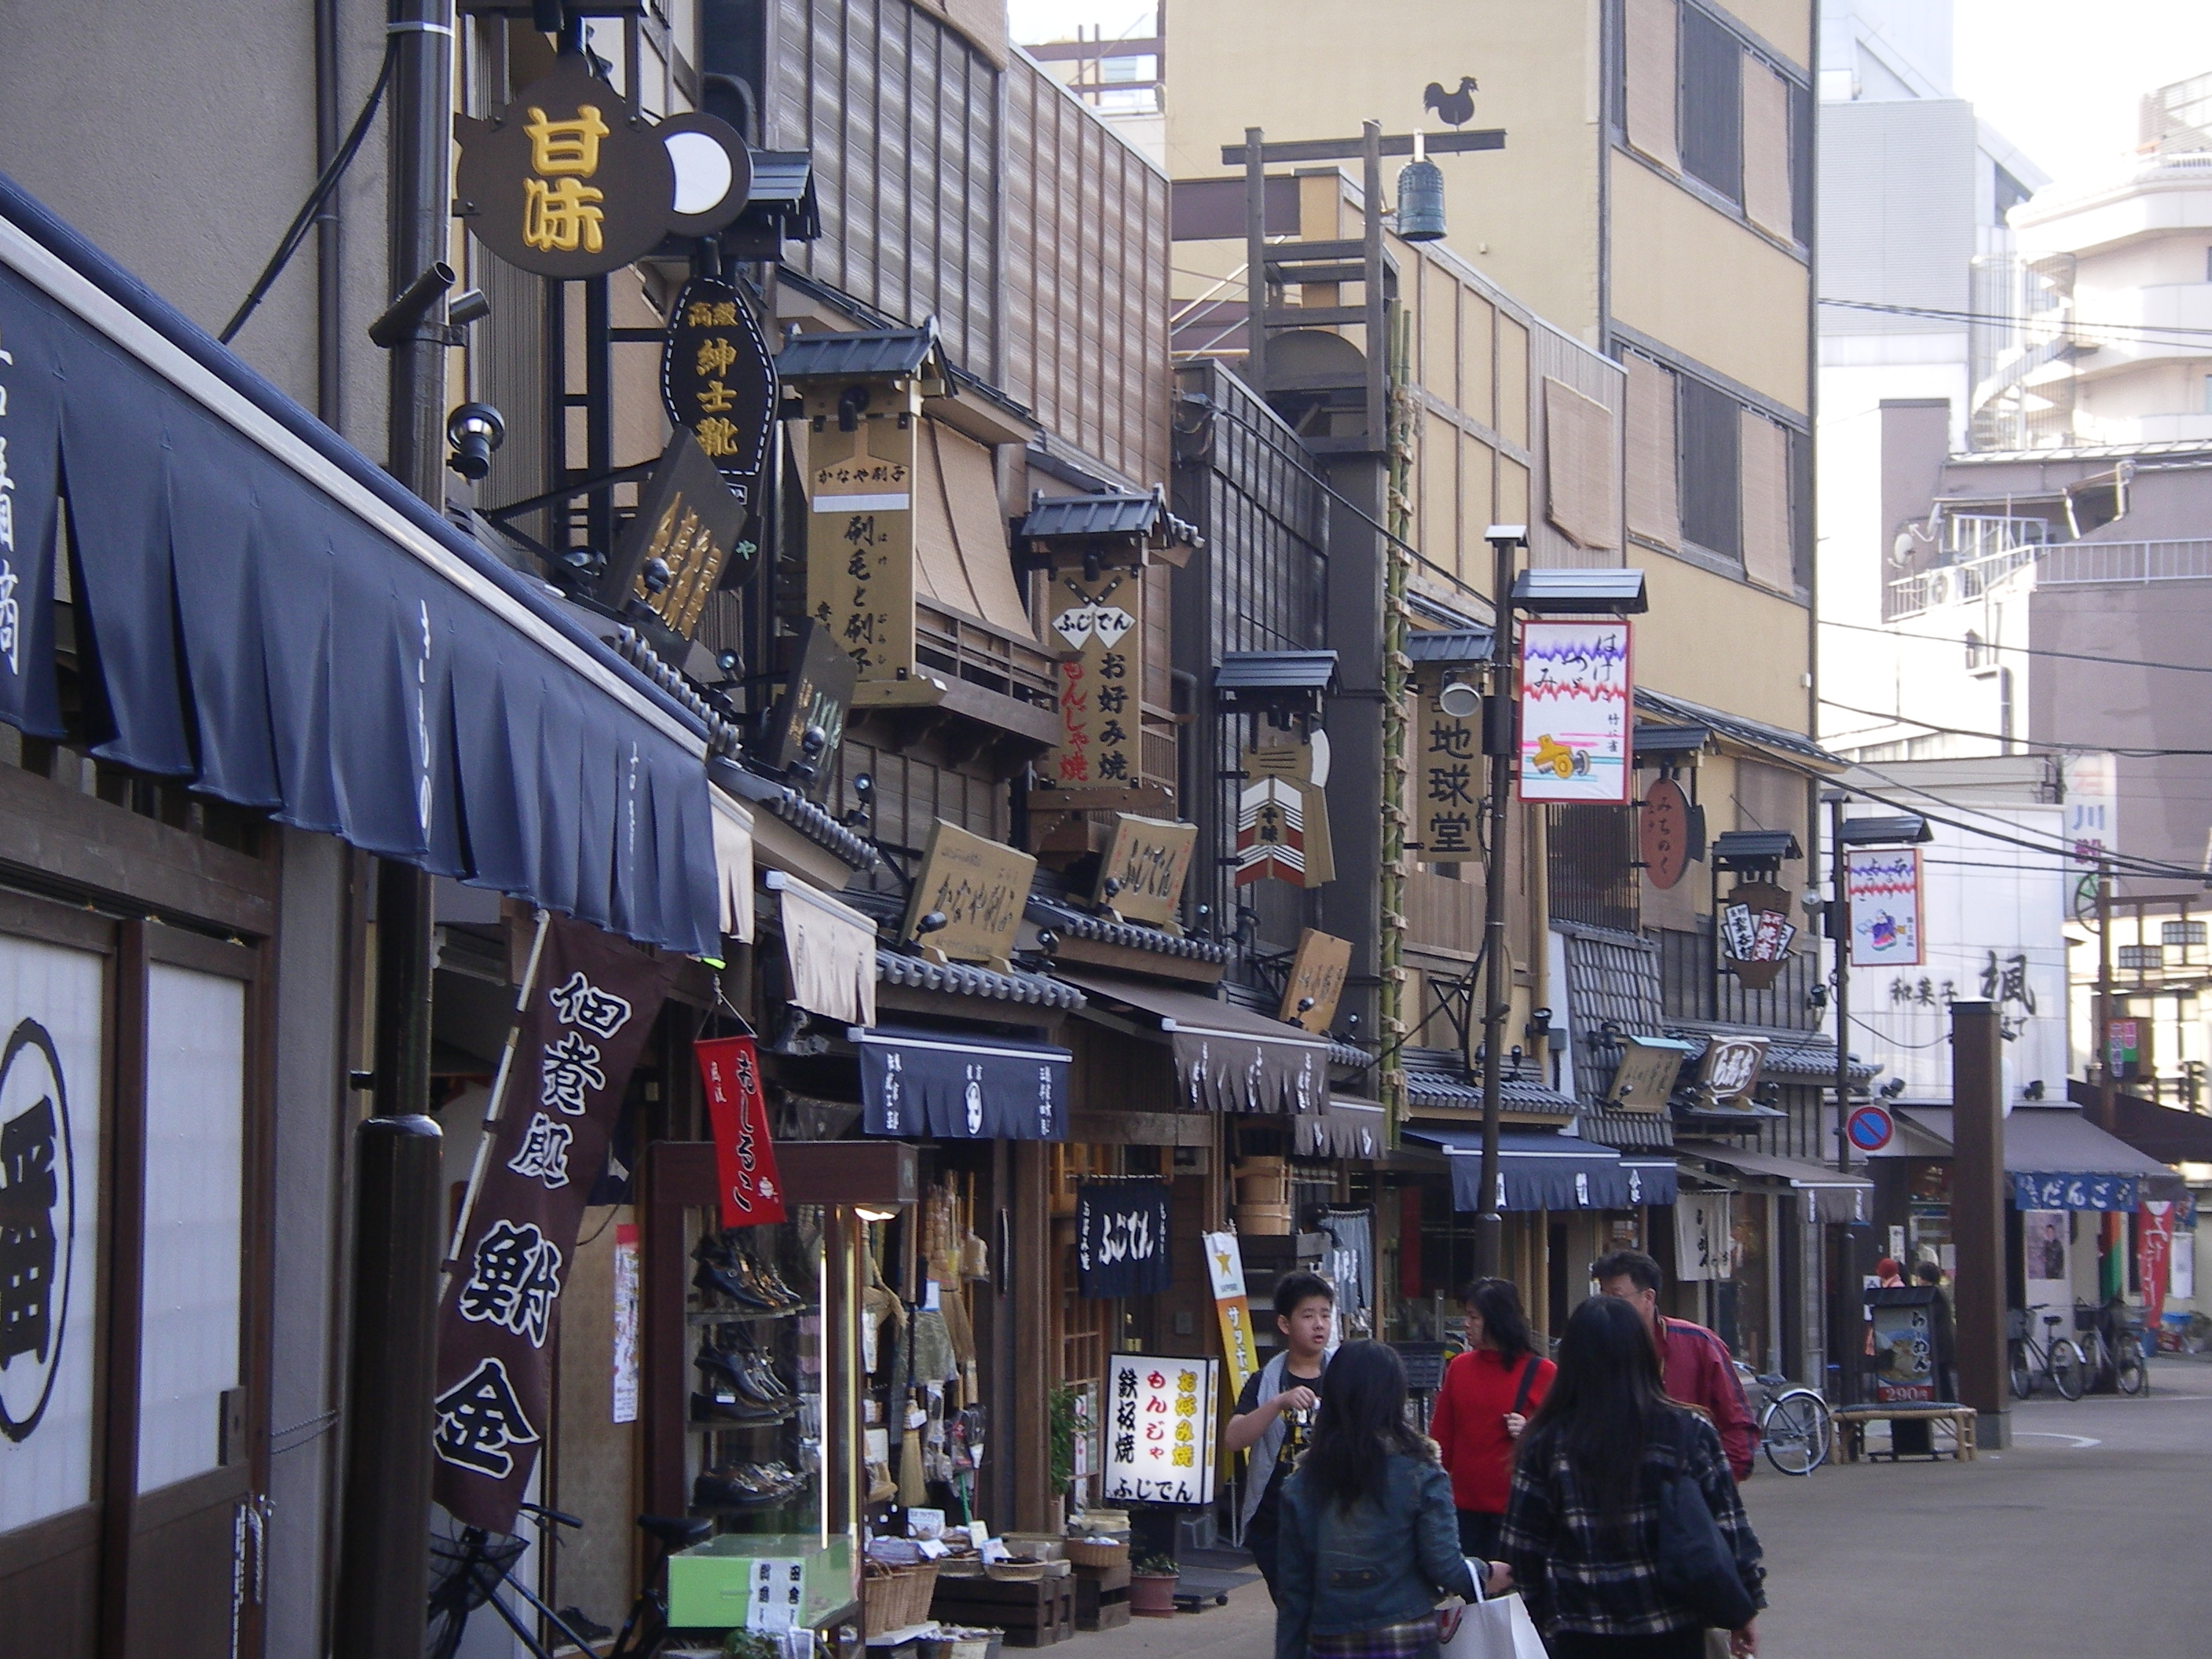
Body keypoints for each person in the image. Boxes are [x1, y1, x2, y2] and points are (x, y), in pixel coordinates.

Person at [1500, 1297, 1765, 1659]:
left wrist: (1539, 1619)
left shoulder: (1545, 1442)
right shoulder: (1689, 1431)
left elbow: (1522, 1548)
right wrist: (1744, 1606)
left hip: (1580, 1631)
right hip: (1673, 1629)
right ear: (1642, 1353)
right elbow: (1730, 1526)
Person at [1273, 1340, 1512, 1659]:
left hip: (1331, 1641)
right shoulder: (1421, 1473)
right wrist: (1485, 1574)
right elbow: (1444, 1565)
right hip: (1407, 1640)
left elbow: (1294, 1593)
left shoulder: (1302, 1485)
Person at [1591, 1251, 1756, 1481]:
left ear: (1648, 1297)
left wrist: (1717, 1485)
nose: (1607, 1307)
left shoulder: (1699, 1344)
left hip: (1687, 1489)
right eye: (1602, 1297)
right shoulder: (1592, 1347)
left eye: (1616, 1297)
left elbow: (1738, 1426)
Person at [1429, 1277, 1555, 1560]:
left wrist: (1529, 1432)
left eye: (1474, 1317)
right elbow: (1441, 1441)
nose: (1465, 1324)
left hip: (1517, 1511)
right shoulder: (1459, 1368)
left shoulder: (1542, 1372)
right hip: (1462, 1511)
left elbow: (1563, 1440)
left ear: (1497, 1320)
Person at [1229, 1271, 1334, 1600]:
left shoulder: (1345, 1374)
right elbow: (1233, 1439)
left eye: (1325, 1315)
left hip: (1332, 1519)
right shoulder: (1266, 1381)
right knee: (1291, 1605)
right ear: (1285, 1324)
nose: (1319, 1324)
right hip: (1276, 1519)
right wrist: (1277, 1404)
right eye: (1308, 1315)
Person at [1915, 1262, 1957, 1401]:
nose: (1917, 1280)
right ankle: (1948, 1403)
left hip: (1939, 1342)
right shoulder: (1937, 1292)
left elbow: (1929, 1316)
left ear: (1924, 1278)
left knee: (1941, 1376)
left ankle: (1948, 1404)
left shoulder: (1932, 1294)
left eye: (1919, 1277)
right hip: (1943, 1340)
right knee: (1942, 1376)